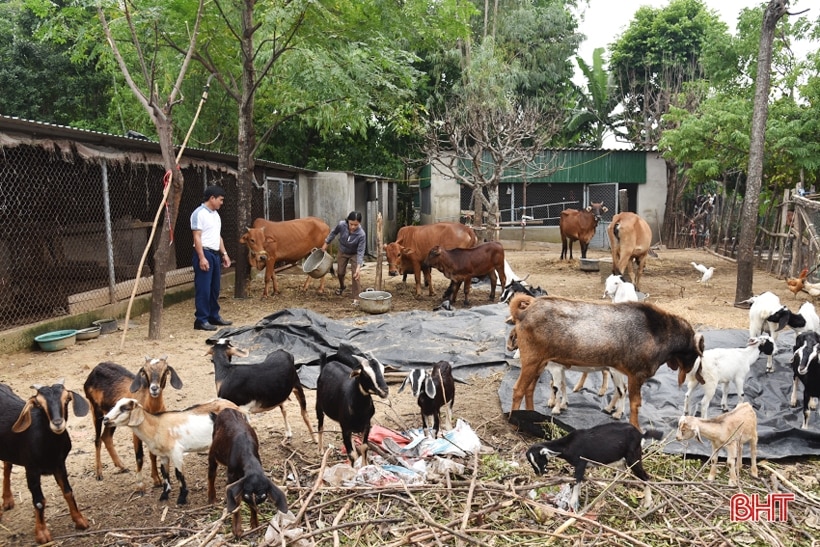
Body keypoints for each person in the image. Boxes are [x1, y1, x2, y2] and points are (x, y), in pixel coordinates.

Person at [190, 185, 233, 331]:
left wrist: (224, 254)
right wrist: (202, 257)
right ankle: (201, 320)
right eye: (220, 200)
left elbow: (217, 236)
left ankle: (213, 315)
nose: (222, 203)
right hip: (205, 253)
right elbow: (197, 237)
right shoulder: (199, 213)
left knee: (214, 288)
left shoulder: (215, 215)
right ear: (212, 198)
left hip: (215, 254)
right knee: (203, 288)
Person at [322, 211, 366, 306]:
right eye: (351, 224)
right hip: (342, 251)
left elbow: (360, 251)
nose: (353, 227)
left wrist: (358, 267)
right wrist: (326, 244)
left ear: (359, 223)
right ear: (347, 221)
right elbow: (333, 233)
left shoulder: (361, 234)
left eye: (356, 225)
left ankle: (356, 298)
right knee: (340, 273)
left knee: (356, 275)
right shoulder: (342, 225)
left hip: (354, 254)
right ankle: (342, 286)